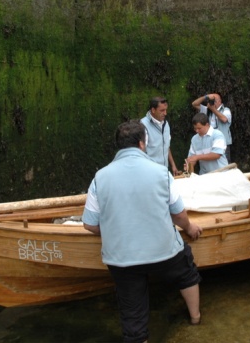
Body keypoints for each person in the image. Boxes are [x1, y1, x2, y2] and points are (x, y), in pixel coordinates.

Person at [82, 121, 203, 342]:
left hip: (122, 257)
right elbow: (178, 214)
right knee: (187, 272)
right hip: (163, 251)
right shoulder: (161, 172)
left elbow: (89, 223)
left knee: (132, 313)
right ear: (141, 144)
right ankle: (195, 318)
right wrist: (190, 227)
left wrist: (114, 229)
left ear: (118, 146)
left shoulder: (100, 177)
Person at [140, 97, 181, 175]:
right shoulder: (143, 125)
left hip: (164, 171)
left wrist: (173, 165)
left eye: (166, 110)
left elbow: (166, 146)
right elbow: (141, 151)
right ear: (153, 110)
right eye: (162, 110)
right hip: (150, 173)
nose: (165, 113)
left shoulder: (166, 124)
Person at [192, 93, 233, 162]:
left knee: (224, 163)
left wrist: (213, 109)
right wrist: (205, 97)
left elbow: (224, 119)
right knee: (211, 161)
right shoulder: (207, 110)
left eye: (215, 100)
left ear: (220, 101)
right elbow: (194, 104)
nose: (213, 102)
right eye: (212, 100)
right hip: (209, 142)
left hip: (223, 142)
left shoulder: (225, 110)